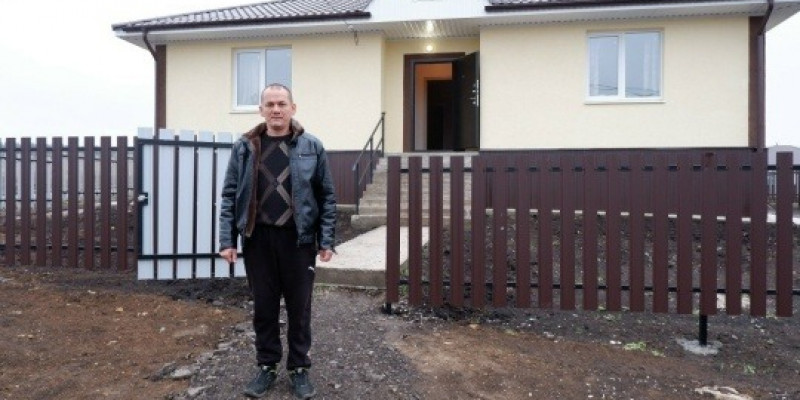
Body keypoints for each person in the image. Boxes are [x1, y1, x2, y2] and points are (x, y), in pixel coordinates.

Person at [218, 83, 336, 399]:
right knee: (264, 307)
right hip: (257, 240)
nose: (276, 109)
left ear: (293, 108)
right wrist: (227, 240)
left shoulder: (312, 146)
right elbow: (230, 195)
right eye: (269, 104)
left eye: (282, 103)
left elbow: (326, 195)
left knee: (300, 308)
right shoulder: (244, 148)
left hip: (299, 241)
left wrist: (326, 240)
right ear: (261, 110)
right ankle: (267, 366)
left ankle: (299, 368)